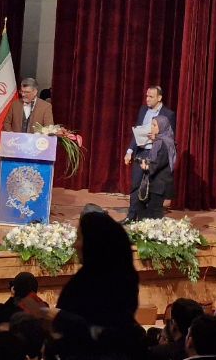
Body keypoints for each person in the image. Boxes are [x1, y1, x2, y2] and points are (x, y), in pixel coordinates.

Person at [46, 211, 143, 359]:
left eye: (79, 237)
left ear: (94, 242)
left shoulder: (98, 285)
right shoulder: (122, 276)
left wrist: (59, 317)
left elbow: (99, 333)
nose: (75, 245)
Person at [128, 115, 176, 222]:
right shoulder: (162, 141)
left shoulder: (163, 143)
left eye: (154, 125)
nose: (151, 127)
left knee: (155, 211)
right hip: (156, 181)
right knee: (143, 206)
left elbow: (160, 161)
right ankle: (144, 227)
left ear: (162, 127)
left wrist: (147, 166)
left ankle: (151, 230)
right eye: (152, 125)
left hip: (160, 182)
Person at [126, 85, 176, 166]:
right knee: (136, 174)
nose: (147, 99)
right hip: (140, 153)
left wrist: (157, 138)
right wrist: (129, 151)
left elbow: (170, 139)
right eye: (147, 96)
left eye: (151, 97)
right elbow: (137, 132)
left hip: (156, 156)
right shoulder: (143, 110)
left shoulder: (168, 114)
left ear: (159, 98)